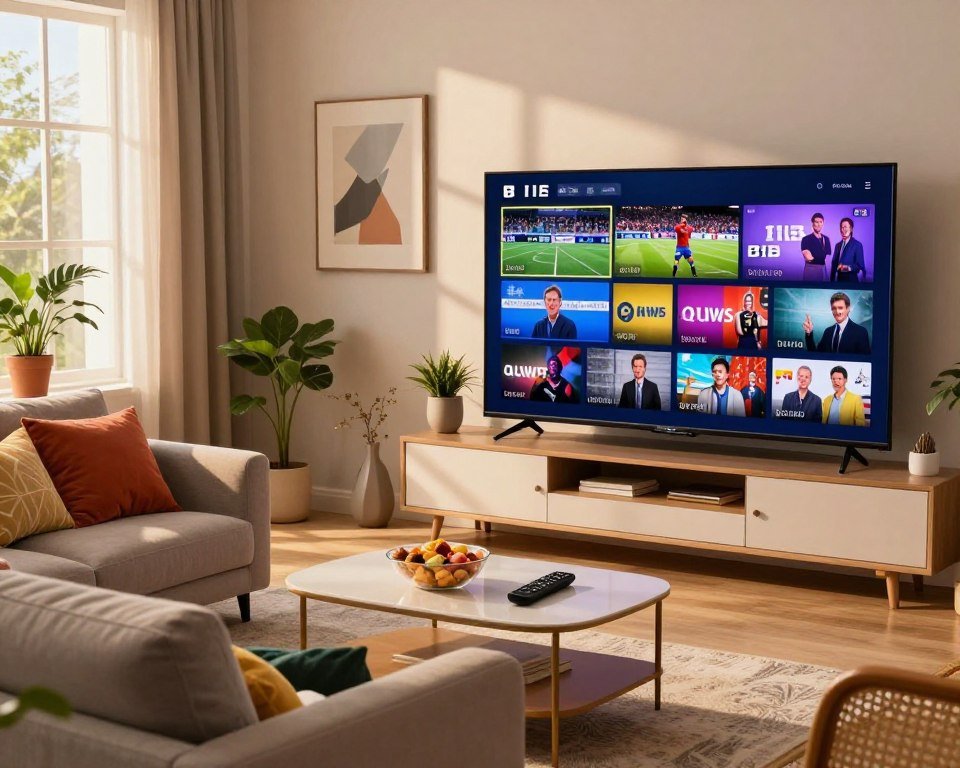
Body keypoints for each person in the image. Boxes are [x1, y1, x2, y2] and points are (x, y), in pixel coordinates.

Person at [803, 291, 871, 354]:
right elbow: (815, 355)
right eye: (834, 308)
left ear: (848, 309)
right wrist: (809, 333)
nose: (837, 312)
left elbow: (864, 360)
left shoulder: (861, 332)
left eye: (840, 308)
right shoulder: (828, 332)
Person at [830, 217, 866, 282]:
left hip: (851, 282)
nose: (843, 229)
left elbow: (860, 266)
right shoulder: (837, 245)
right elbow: (834, 265)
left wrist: (847, 268)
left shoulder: (857, 245)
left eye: (845, 227)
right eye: (841, 227)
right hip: (838, 282)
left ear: (851, 229)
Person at [800, 212, 831, 281]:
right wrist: (822, 257)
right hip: (811, 271)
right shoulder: (806, 239)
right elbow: (809, 258)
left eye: (821, 222)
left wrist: (818, 257)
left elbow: (828, 258)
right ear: (812, 223)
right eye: (816, 222)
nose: (819, 224)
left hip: (823, 271)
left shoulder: (826, 239)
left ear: (823, 223)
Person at [672, 213, 698, 277]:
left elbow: (691, 229)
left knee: (691, 260)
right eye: (681, 219)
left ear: (686, 220)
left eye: (683, 219)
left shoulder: (688, 228)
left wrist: (685, 225)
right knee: (676, 260)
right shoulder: (678, 227)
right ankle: (674, 273)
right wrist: (683, 225)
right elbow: (676, 228)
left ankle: (694, 274)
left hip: (686, 247)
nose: (682, 220)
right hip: (679, 248)